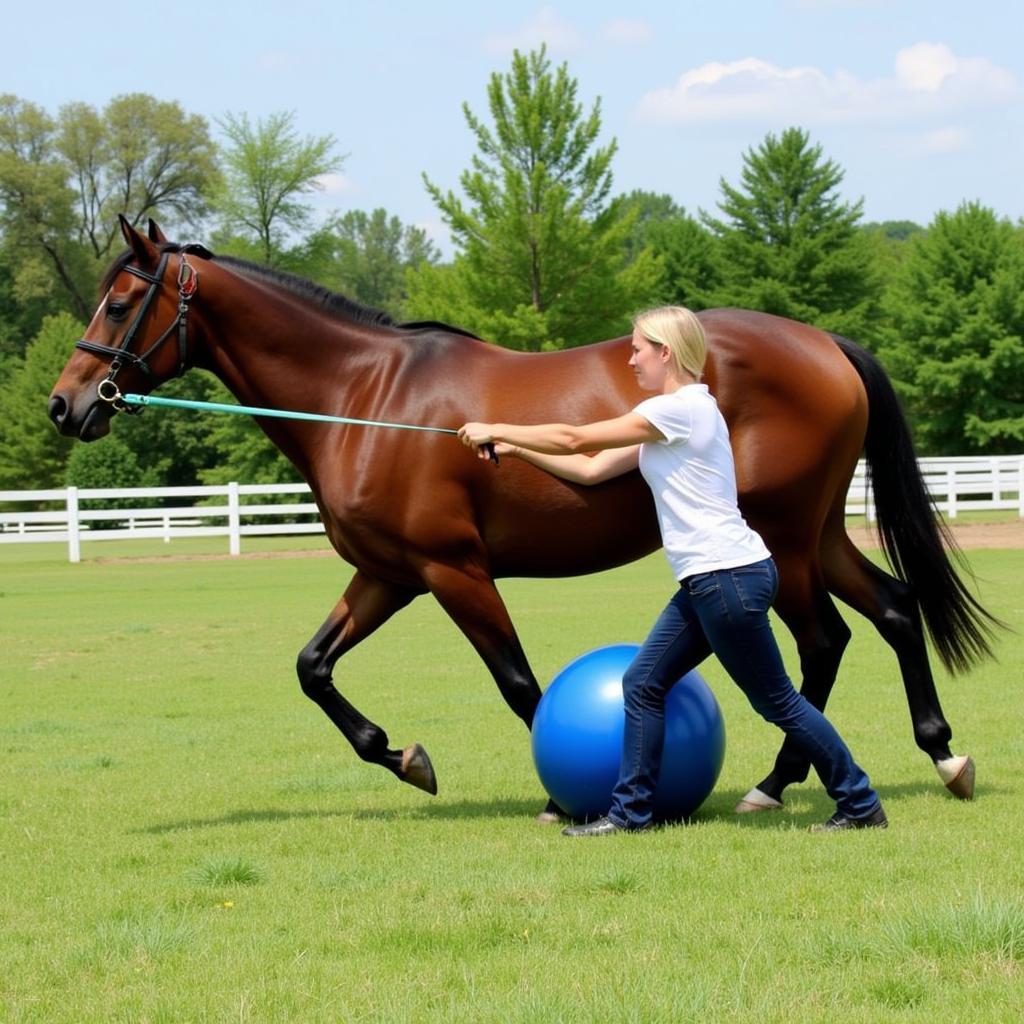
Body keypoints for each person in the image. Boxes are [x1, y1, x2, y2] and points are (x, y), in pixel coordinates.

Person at [458, 305, 887, 836]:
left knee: (777, 702)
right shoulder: (669, 420)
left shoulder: (682, 410)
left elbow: (578, 439)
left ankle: (860, 802)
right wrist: (517, 448)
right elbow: (590, 470)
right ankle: (630, 815)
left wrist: (495, 423)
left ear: (666, 352)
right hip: (712, 580)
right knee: (642, 684)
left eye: (638, 348)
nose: (631, 358)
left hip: (726, 579)